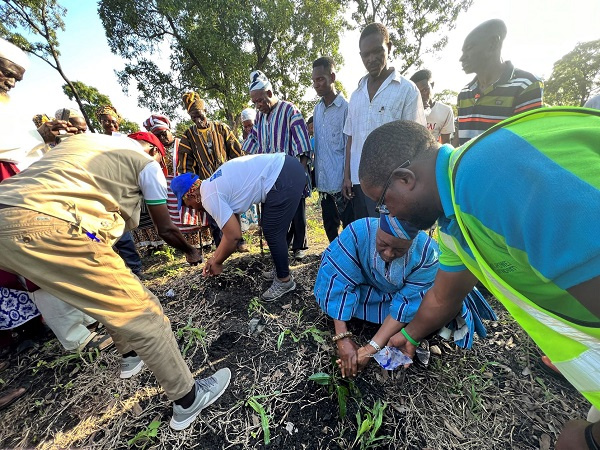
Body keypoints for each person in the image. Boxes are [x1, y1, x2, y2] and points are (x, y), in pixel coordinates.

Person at [357, 108, 600, 449]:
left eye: (383, 204)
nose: (388, 215)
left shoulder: (492, 175)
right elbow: (443, 297)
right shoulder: (455, 218)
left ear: (405, 179)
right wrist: (409, 335)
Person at [0, 132, 231, 430]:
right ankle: (188, 400)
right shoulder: (145, 161)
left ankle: (130, 357)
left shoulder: (80, 142)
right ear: (152, 149)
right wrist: (190, 250)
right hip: (51, 222)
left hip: (7, 219)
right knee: (145, 313)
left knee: (101, 293)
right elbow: (164, 227)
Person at [315, 215, 495, 377]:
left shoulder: (426, 254)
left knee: (430, 305)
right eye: (382, 244)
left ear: (413, 242)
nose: (388, 254)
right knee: (340, 290)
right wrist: (343, 338)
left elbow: (407, 303)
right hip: (369, 289)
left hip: (400, 296)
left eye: (399, 250)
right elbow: (338, 278)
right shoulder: (357, 233)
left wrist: (370, 349)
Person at [171, 153, 305, 301]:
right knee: (272, 228)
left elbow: (234, 237)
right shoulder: (212, 185)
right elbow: (232, 230)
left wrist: (217, 262)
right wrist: (214, 257)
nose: (193, 209)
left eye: (187, 206)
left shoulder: (209, 196)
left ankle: (284, 280)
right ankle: (281, 269)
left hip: (283, 175)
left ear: (190, 195)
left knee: (272, 231)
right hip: (286, 169)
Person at [343, 23, 426, 220]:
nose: (371, 59)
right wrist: (346, 177)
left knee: (391, 242)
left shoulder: (407, 90)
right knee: (367, 238)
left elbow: (419, 143)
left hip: (392, 185)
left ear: (389, 47)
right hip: (358, 183)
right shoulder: (355, 95)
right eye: (365, 55)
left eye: (377, 51)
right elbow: (350, 140)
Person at [243, 70, 312, 260]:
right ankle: (282, 248)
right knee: (276, 215)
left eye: (260, 100)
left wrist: (300, 174)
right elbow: (253, 142)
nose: (258, 105)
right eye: (254, 102)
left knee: (297, 212)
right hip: (270, 175)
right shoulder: (259, 117)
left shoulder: (290, 110)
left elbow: (302, 144)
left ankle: (300, 247)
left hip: (291, 172)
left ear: (270, 93)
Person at [178, 92, 248, 252]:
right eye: (193, 117)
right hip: (206, 183)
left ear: (206, 111)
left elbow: (236, 152)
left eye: (199, 115)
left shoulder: (221, 128)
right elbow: (185, 164)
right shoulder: (188, 136)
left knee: (233, 209)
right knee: (214, 215)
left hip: (227, 179)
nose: (197, 120)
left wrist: (238, 170)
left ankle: (239, 242)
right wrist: (192, 185)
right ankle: (222, 246)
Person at [457, 19, 543, 145]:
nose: (461, 58)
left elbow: (528, 144)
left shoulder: (526, 85)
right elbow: (460, 142)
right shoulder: (464, 93)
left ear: (493, 44)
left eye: (469, 48)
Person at [96, 104, 145, 276]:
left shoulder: (127, 141)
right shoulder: (98, 143)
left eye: (112, 121)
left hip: (126, 189)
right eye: (105, 121)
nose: (110, 124)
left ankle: (136, 268)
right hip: (106, 192)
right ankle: (123, 271)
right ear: (100, 123)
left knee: (124, 229)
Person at [143, 114, 203, 250]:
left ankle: (201, 243)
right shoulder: (155, 150)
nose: (162, 138)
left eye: (164, 133)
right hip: (166, 186)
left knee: (191, 209)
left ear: (170, 130)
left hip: (185, 183)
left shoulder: (183, 143)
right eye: (157, 135)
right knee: (174, 216)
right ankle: (184, 245)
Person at [311, 56, 353, 242]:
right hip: (324, 184)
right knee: (329, 227)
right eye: (314, 81)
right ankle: (336, 260)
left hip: (342, 185)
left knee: (350, 227)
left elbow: (349, 147)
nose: (316, 84)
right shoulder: (317, 110)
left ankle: (354, 264)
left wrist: (347, 179)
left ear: (332, 77)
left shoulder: (346, 108)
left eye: (320, 79)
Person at [410, 69, 454, 144]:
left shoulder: (445, 111)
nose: (422, 96)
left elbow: (446, 142)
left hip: (434, 153)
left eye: (425, 90)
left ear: (432, 85)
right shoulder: (409, 109)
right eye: (417, 92)